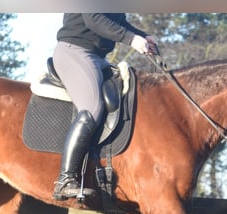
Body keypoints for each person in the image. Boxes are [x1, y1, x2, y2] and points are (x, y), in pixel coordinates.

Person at [51, 13, 158, 201]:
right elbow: (93, 19)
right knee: (92, 109)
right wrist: (131, 39)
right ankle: (65, 180)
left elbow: (117, 21)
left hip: (99, 58)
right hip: (75, 52)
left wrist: (142, 35)